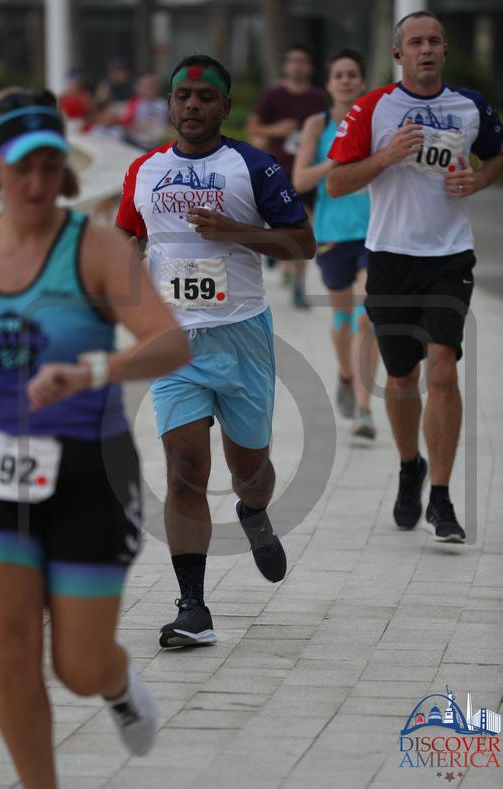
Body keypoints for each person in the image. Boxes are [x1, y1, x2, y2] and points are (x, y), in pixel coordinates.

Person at [0, 87, 190, 788]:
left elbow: (170, 344)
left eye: (51, 166)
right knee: (7, 643)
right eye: (23, 168)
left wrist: (93, 370)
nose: (37, 183)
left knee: (77, 665)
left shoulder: (94, 246)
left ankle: (116, 680)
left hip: (88, 472)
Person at [116, 54, 315, 648]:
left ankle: (253, 512)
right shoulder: (144, 170)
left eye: (206, 97)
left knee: (250, 472)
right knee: (184, 468)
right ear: (170, 104)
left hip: (242, 335)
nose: (193, 104)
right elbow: (126, 239)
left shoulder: (253, 166)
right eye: (183, 95)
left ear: (226, 107)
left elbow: (303, 244)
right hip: (175, 341)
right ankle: (193, 608)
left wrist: (236, 233)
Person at [327, 11, 503, 542]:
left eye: (433, 41)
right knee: (403, 378)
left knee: (443, 370)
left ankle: (443, 498)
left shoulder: (471, 106)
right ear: (398, 53)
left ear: (445, 50)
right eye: (415, 42)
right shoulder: (372, 107)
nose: (425, 49)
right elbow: (336, 182)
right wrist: (387, 155)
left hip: (450, 256)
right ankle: (411, 467)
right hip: (390, 257)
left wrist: (478, 180)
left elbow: (497, 156)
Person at [292, 49, 379, 439]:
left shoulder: (376, 120)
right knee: (342, 319)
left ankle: (363, 408)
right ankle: (345, 374)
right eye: (338, 75)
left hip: (374, 231)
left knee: (367, 315)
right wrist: (336, 161)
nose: (345, 80)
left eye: (352, 74)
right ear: (328, 84)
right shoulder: (318, 123)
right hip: (331, 233)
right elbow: (300, 180)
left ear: (362, 82)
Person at [246, 44, 327, 307]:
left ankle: (298, 286)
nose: (297, 66)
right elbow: (253, 128)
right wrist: (276, 130)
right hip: (277, 172)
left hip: (306, 172)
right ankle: (276, 249)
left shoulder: (319, 98)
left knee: (303, 228)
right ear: (286, 66)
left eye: (302, 61)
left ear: (310, 67)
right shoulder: (274, 95)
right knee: (282, 226)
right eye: (293, 61)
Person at [121, 72, 170, 151]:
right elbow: (125, 125)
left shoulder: (164, 104)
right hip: (138, 143)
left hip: (160, 142)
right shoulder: (133, 103)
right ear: (139, 88)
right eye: (147, 86)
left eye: (152, 86)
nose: (150, 89)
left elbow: (171, 125)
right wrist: (139, 127)